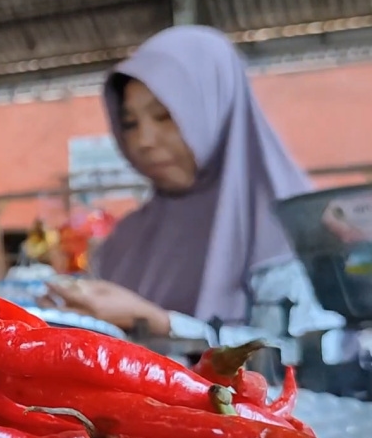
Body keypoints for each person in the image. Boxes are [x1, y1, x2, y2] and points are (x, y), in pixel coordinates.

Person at [45, 25, 344, 348]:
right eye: (130, 123)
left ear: (217, 108)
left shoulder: (299, 229)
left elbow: (308, 353)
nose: (143, 140)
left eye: (164, 115)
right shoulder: (125, 241)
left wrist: (163, 324)